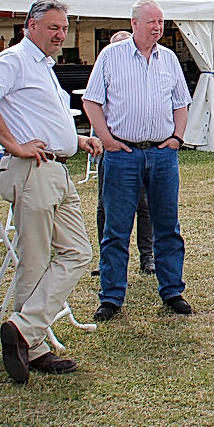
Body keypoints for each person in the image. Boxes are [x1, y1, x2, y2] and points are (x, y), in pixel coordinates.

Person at [0, 0, 102, 384]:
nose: (60, 35)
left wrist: (76, 140)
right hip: (34, 170)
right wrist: (13, 144)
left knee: (77, 253)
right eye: (52, 27)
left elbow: (39, 118)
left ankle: (25, 331)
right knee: (36, 259)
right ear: (30, 25)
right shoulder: (14, 60)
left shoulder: (43, 65)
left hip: (55, 169)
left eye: (63, 28)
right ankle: (33, 342)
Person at [84, 0, 192, 320]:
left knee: (167, 226)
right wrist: (107, 140)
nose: (158, 27)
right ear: (134, 23)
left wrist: (177, 139)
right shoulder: (110, 56)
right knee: (116, 228)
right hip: (123, 156)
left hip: (161, 155)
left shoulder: (168, 59)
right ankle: (112, 296)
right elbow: (92, 102)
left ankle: (172, 290)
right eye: (152, 22)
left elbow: (181, 103)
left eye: (161, 22)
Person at [91, 30, 155, 280]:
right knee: (106, 207)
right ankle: (107, 258)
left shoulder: (143, 75)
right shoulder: (106, 72)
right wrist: (105, 139)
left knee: (145, 205)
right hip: (113, 150)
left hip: (139, 151)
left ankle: (147, 256)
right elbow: (93, 104)